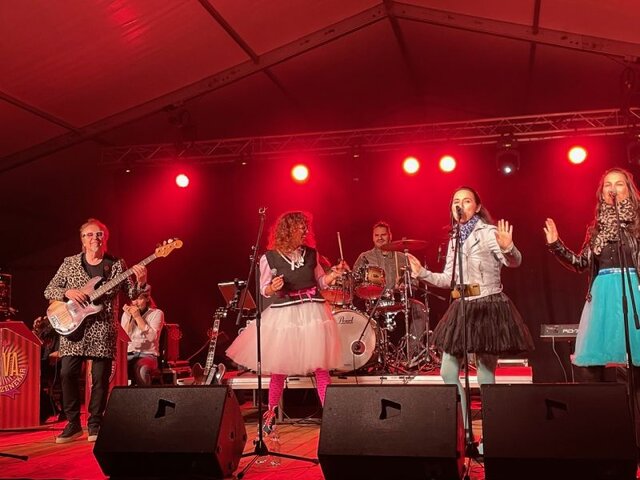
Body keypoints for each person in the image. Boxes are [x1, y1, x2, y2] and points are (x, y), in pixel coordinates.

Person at [409, 187, 534, 426]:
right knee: (447, 372)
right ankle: (465, 429)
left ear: (477, 207)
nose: (460, 205)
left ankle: (491, 434)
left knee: (485, 375)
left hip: (487, 305)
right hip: (462, 306)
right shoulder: (454, 239)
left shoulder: (488, 232)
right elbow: (448, 279)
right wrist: (422, 273)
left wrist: (509, 248)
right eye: (456, 201)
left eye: (466, 201)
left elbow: (514, 262)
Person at [226, 211, 347, 433]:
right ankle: (270, 414)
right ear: (288, 230)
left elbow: (321, 281)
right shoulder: (269, 258)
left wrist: (334, 275)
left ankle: (331, 416)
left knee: (320, 367)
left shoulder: (311, 254)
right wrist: (273, 287)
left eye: (306, 227)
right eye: (301, 227)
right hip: (286, 313)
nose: (305, 231)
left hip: (312, 311)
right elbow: (264, 289)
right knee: (279, 368)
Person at [44, 218, 148, 444]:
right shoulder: (70, 263)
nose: (95, 238)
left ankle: (95, 424)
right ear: (82, 239)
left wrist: (141, 282)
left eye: (99, 234)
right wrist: (68, 292)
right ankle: (73, 424)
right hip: (73, 327)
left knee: (100, 379)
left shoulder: (116, 264)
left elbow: (132, 294)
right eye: (89, 234)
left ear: (105, 238)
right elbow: (49, 289)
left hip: (102, 328)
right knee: (67, 373)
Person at [544, 168, 640, 380]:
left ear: (629, 190)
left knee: (634, 358)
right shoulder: (596, 229)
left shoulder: (638, 223)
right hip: (603, 294)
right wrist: (556, 245)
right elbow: (581, 263)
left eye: (619, 184)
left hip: (632, 290)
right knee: (594, 362)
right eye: (608, 184)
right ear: (602, 192)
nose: (613, 188)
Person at [353, 221, 428, 359]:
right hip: (374, 301)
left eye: (383, 235)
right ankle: (368, 356)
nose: (380, 238)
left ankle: (413, 354)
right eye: (376, 235)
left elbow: (415, 280)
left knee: (420, 309)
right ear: (372, 237)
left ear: (390, 236)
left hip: (398, 299)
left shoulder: (402, 257)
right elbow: (355, 280)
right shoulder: (364, 257)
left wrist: (406, 284)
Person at [121, 290, 164, 386]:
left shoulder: (157, 313)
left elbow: (152, 337)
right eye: (133, 299)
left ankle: (144, 395)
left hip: (148, 355)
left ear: (147, 299)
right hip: (129, 354)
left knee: (141, 368)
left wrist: (137, 317)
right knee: (114, 368)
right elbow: (123, 338)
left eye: (139, 299)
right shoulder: (126, 314)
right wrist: (129, 318)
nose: (135, 303)